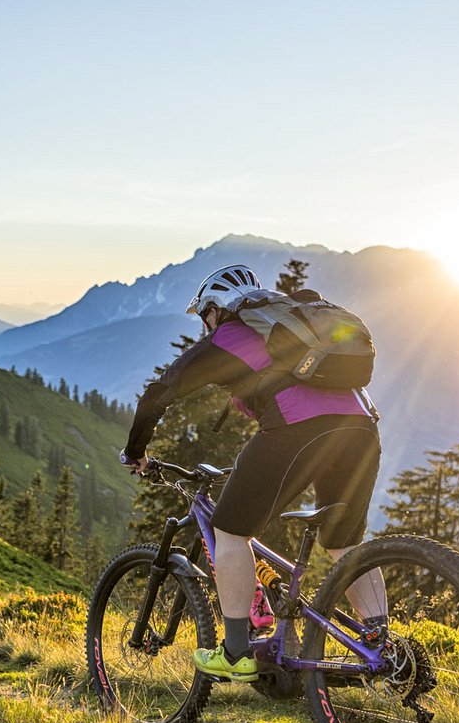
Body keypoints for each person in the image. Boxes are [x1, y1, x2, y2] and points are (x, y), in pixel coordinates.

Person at [120, 264, 388, 681]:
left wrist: (136, 449)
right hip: (361, 428)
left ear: (215, 309)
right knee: (344, 542)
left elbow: (162, 392)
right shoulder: (293, 322)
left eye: (205, 317)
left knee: (230, 532)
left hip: (298, 429)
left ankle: (236, 653)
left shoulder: (232, 335)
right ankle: (382, 649)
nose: (205, 327)